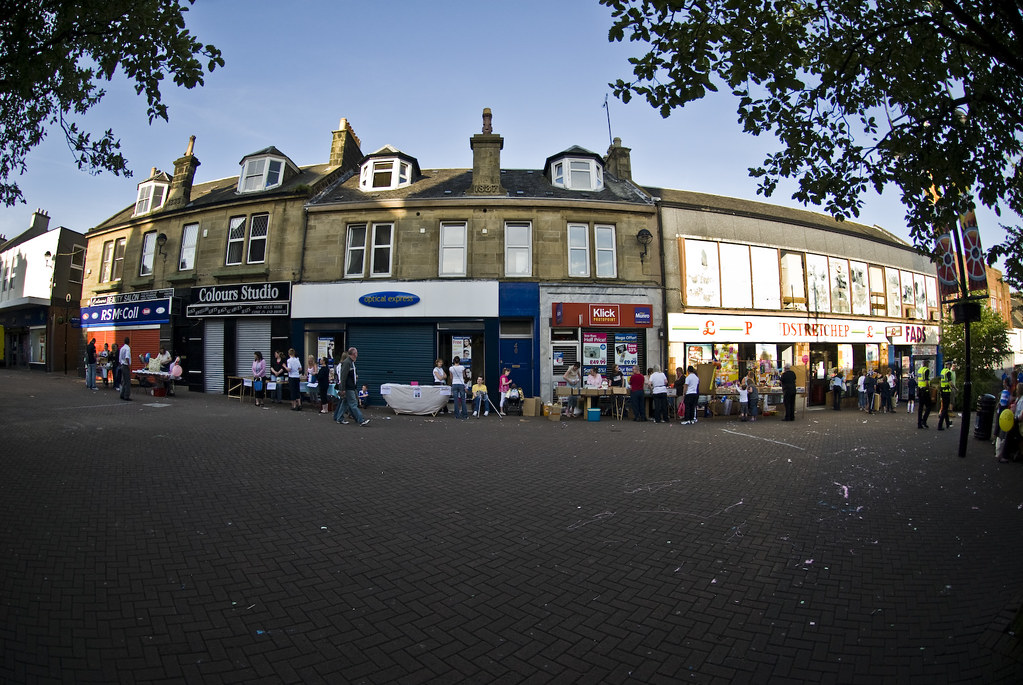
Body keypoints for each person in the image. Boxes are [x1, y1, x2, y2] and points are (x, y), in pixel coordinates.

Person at [335, 346, 370, 426]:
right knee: (353, 403)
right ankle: (361, 420)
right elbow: (343, 376)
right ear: (354, 354)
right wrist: (342, 388)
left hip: (351, 387)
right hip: (348, 387)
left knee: (345, 403)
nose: (357, 355)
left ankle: (339, 418)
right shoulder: (347, 363)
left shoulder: (351, 362)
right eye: (356, 353)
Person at [937, 360, 955, 430]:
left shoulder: (942, 371)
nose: (950, 366)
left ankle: (947, 423)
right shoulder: (948, 372)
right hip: (947, 391)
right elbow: (950, 382)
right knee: (944, 409)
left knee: (945, 407)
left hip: (942, 391)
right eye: (950, 365)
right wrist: (955, 388)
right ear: (948, 365)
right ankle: (940, 425)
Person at [917, 361, 932, 428]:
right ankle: (924, 420)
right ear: (926, 364)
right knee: (929, 406)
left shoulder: (920, 370)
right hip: (925, 390)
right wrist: (929, 388)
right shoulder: (926, 370)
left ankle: (919, 423)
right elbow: (926, 381)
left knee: (920, 407)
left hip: (920, 390)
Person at [118, 336, 132, 401]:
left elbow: (120, 358)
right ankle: (126, 395)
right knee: (127, 381)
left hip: (122, 365)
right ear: (129, 342)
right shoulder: (127, 348)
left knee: (123, 381)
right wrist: (129, 364)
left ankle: (122, 394)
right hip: (125, 365)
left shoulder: (122, 348)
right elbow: (127, 357)